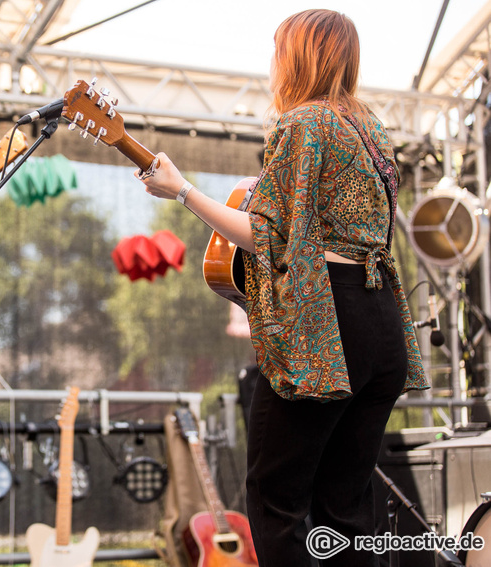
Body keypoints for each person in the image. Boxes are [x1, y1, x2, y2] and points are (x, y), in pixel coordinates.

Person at [138, 10, 429, 567]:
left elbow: (266, 234)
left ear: (298, 55)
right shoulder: (373, 131)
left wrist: (182, 191)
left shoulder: (302, 124)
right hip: (379, 322)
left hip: (326, 323)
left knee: (277, 501)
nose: (272, 63)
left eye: (278, 50)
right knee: (345, 508)